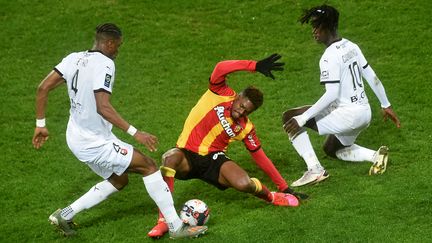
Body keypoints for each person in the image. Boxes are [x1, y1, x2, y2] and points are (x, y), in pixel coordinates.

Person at [32, 23, 207, 239]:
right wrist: (136, 132)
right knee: (149, 166)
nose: (118, 51)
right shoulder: (105, 64)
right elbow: (102, 106)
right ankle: (176, 227)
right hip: (94, 142)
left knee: (119, 180)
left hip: (76, 137)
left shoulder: (73, 58)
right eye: (118, 46)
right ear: (108, 43)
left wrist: (41, 124)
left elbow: (43, 88)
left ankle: (65, 215)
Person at [148, 54, 305, 239]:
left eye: (247, 111)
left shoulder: (246, 128)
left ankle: (273, 197)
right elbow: (221, 67)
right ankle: (164, 221)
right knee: (170, 158)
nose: (240, 111)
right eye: (241, 105)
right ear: (238, 96)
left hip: (213, 160)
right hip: (187, 156)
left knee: (243, 183)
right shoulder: (220, 93)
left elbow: (261, 157)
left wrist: (285, 187)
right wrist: (254, 65)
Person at [282, 5, 401, 187]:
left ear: (327, 26)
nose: (314, 32)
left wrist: (303, 118)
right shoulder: (351, 46)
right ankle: (376, 156)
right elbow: (372, 76)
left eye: (317, 27)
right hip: (364, 113)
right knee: (331, 149)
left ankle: (315, 170)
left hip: (348, 116)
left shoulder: (329, 57)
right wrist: (386, 105)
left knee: (290, 117)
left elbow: (331, 94)